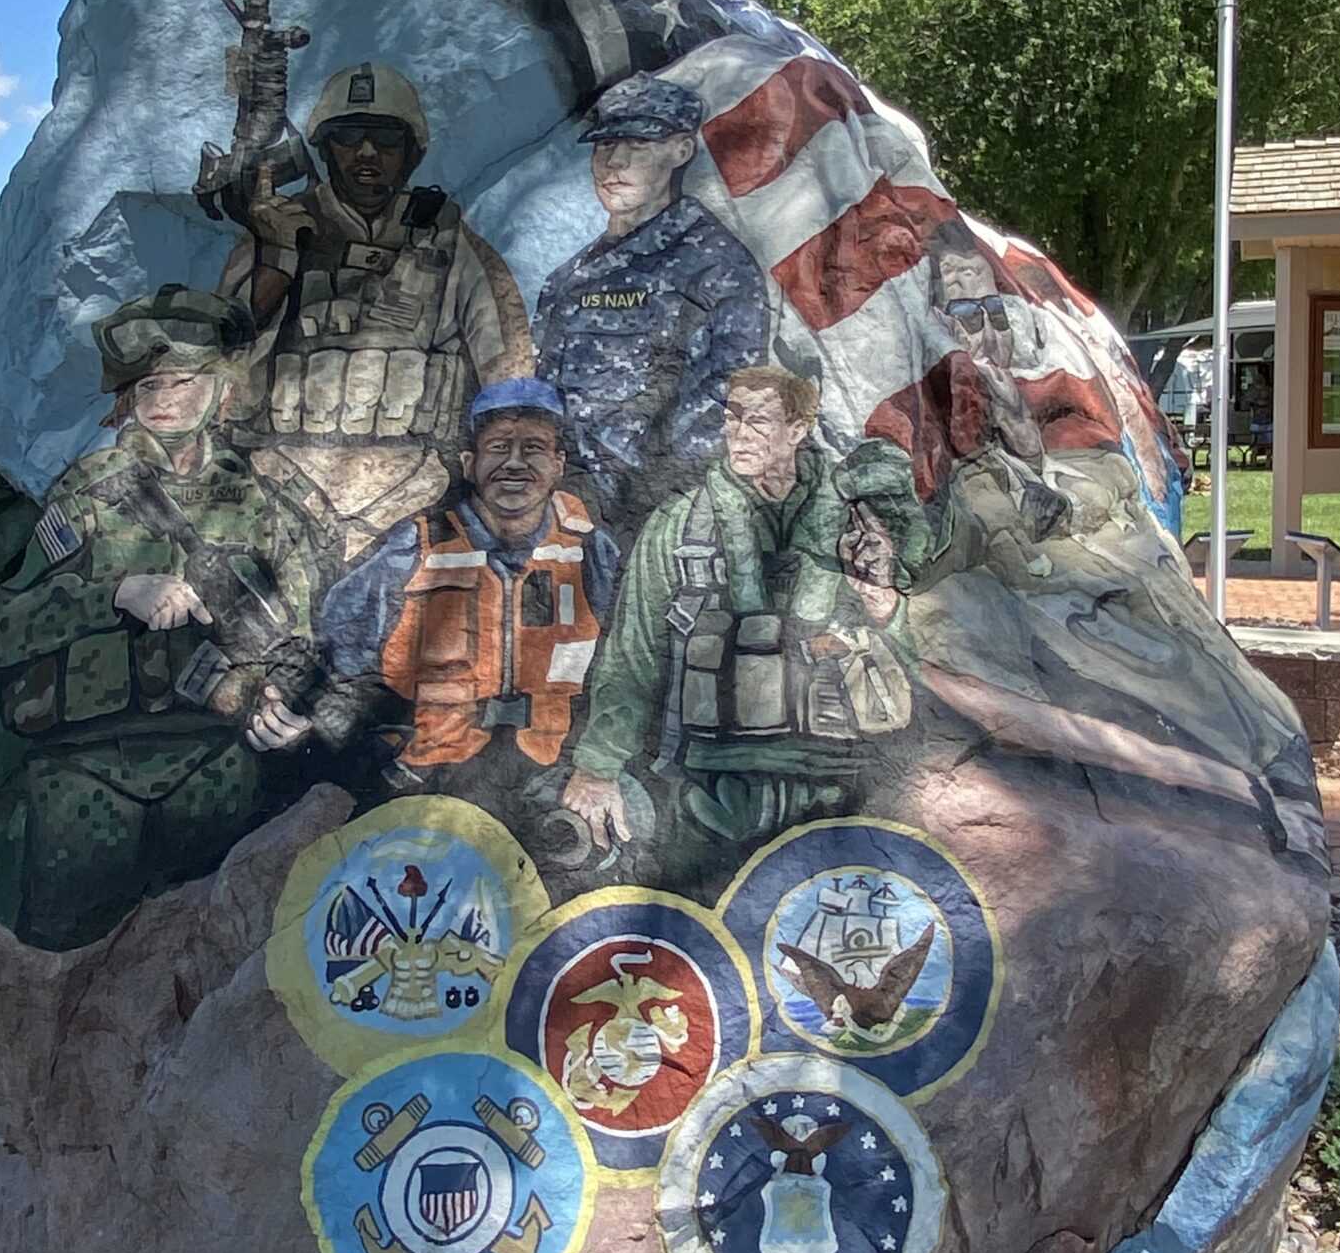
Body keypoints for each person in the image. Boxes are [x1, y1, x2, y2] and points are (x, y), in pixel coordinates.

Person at [0, 288, 322, 949]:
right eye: (150, 381)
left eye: (185, 379)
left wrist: (282, 701)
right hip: (89, 775)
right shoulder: (93, 492)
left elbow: (302, 634)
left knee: (213, 952)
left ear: (223, 389)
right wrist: (113, 593)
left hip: (214, 767)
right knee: (66, 958)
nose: (166, 397)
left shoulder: (264, 505)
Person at [559, 365, 932, 882]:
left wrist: (882, 602)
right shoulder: (679, 527)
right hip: (711, 790)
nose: (736, 433)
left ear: (799, 429)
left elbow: (912, 666)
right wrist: (598, 766)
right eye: (730, 417)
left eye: (755, 420)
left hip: (842, 788)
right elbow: (633, 655)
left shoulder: (862, 522)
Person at [254, 379, 622, 813]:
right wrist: (292, 709)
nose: (516, 464)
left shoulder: (593, 553)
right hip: (421, 787)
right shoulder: (413, 550)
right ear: (469, 463)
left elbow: (629, 672)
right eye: (499, 448)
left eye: (535, 449)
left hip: (550, 785)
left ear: (559, 464)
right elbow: (335, 657)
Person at [218, 60, 533, 555]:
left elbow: (507, 361)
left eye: (386, 139)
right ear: (324, 148)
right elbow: (222, 350)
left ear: (411, 153)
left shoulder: (447, 237)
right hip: (282, 477)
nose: (367, 152)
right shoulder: (277, 228)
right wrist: (278, 254)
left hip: (416, 486)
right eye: (348, 136)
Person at [533, 71, 767, 529]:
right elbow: (543, 396)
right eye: (604, 147)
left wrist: (640, 499)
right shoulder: (568, 278)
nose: (614, 163)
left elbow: (729, 398)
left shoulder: (715, 264)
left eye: (637, 146)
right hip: (560, 507)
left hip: (653, 512)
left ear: (681, 151)